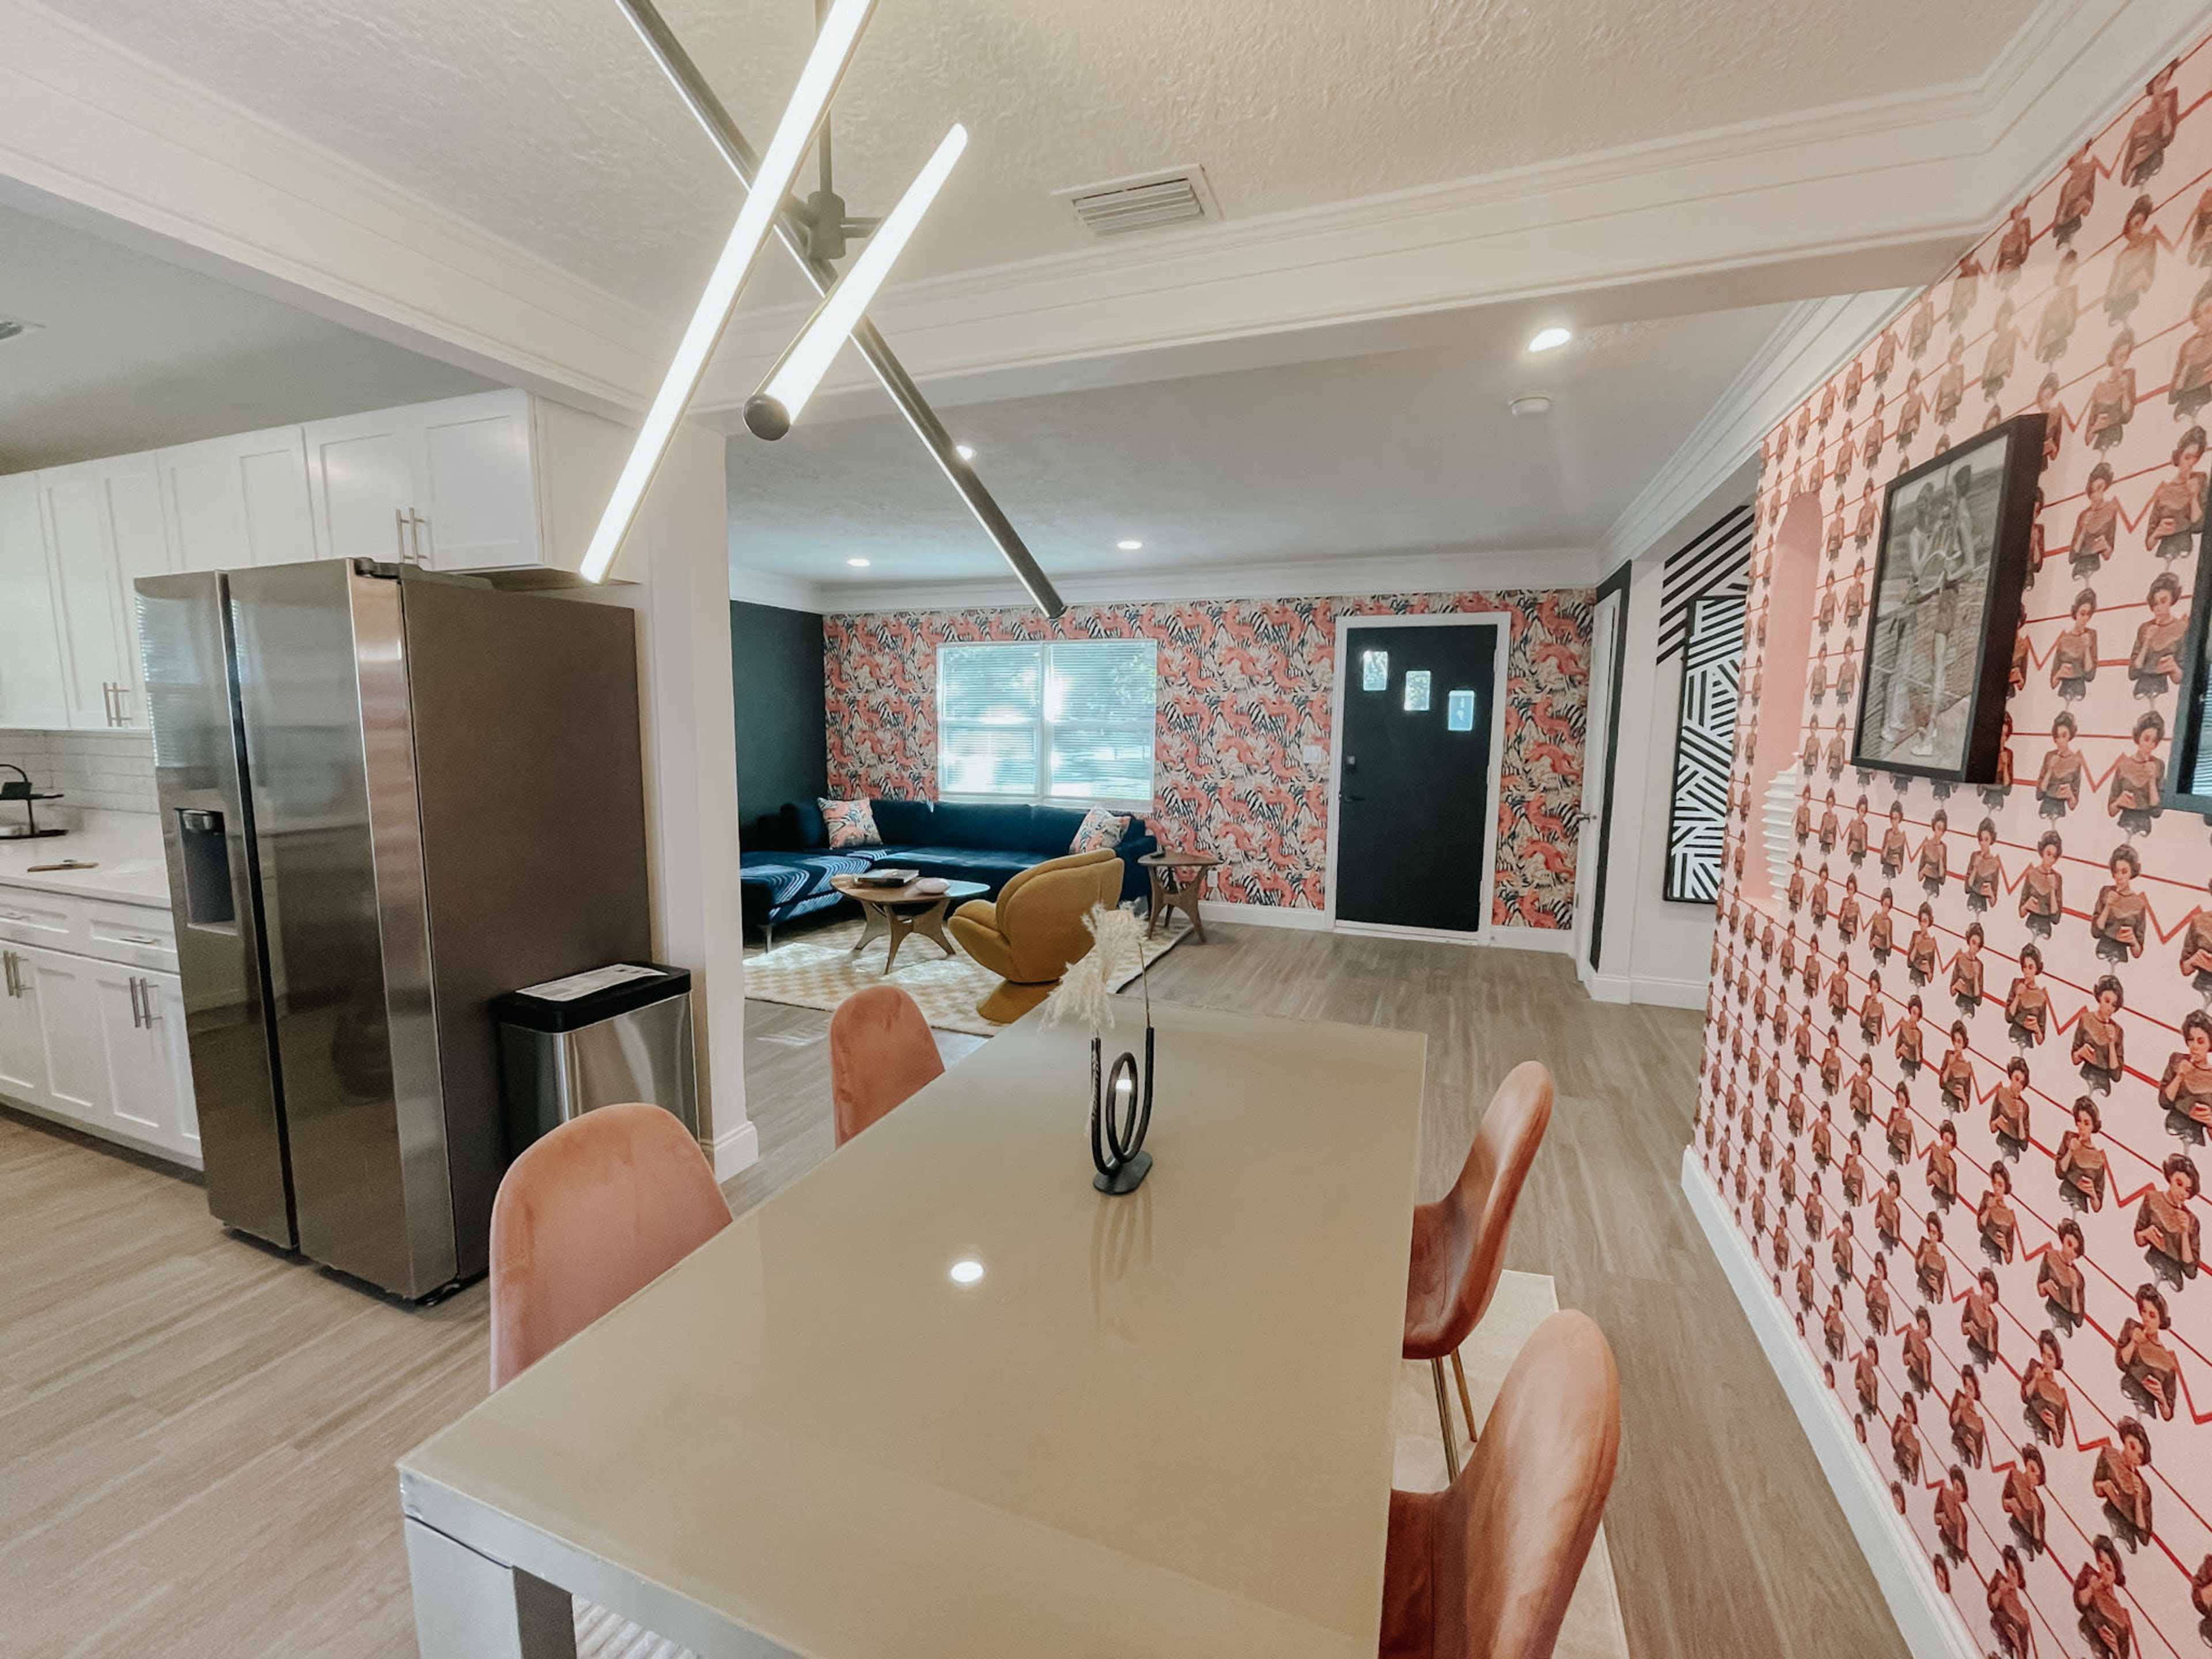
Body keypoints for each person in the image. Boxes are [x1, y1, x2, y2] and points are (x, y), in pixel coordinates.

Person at [2115, 1283, 2180, 1421]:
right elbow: (2121, 1363)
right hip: (2121, 1396)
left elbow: (2168, 1414)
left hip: (2144, 1414)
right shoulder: (2132, 1328)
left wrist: (2161, 1398)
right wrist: (2134, 1342)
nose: (2146, 1319)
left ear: (2161, 1320)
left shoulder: (2168, 1362)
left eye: (2152, 1315)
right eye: (2143, 1311)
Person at [2134, 1153, 2200, 1278]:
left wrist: (2185, 1233)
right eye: (2179, 1183)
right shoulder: (2151, 1198)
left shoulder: (2192, 1220)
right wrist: (2145, 1234)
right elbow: (2138, 1238)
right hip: (2150, 1264)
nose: (2182, 1193)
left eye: (2187, 1190)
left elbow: (2191, 1272)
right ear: (2170, 1178)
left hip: (2173, 1278)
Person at [2092, 1418, 2154, 1546]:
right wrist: (2103, 1486)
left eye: (2139, 1455)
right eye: (2132, 1446)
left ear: (2140, 1462)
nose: (2132, 1452)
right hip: (2101, 1524)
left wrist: (2137, 1499)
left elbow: (2143, 1536)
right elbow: (2097, 1488)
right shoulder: (2107, 1454)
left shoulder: (2143, 1488)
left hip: (2126, 1540)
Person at [2073, 1535, 2133, 1659]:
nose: (2103, 1570)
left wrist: (2116, 1650)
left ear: (2117, 1571)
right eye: (2100, 1562)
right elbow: (2081, 1602)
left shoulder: (2123, 1615)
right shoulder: (2091, 1586)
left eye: (2108, 1568)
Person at [2128, 574, 2187, 695]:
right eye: (2155, 604)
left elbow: (2181, 678)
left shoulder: (2182, 628)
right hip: (2139, 691)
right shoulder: (2145, 628)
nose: (2158, 608)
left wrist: (2173, 667)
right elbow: (2133, 672)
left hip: (2163, 692)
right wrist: (2147, 642)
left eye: (2163, 602)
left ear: (2172, 599)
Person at [2107, 713, 2165, 828]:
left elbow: (2157, 811)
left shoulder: (2158, 765)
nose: (2149, 745)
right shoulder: (2123, 765)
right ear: (2138, 737)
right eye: (2147, 739)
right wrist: (2120, 802)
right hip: (2124, 823)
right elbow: (2111, 811)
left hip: (2145, 826)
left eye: (2154, 741)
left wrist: (2152, 780)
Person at [2092, 846, 2149, 962]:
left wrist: (2133, 941)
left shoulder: (2139, 903)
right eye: (2116, 872)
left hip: (2121, 957)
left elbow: (2138, 953)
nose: (2120, 877)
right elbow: (2096, 932)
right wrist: (2108, 906)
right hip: (2102, 951)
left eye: (2124, 872)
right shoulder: (2106, 892)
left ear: (2132, 872)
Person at [2073, 975, 2127, 1089]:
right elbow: (2074, 1058)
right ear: (2099, 997)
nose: (2109, 1008)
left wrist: (2112, 1042)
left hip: (2103, 1086)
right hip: (2084, 1078)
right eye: (2107, 1001)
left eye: (2114, 1005)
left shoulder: (2118, 1031)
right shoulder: (2085, 1019)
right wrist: (2081, 1052)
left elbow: (2116, 1076)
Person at [2161, 1009, 2212, 1128]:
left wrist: (2210, 1122)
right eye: (2191, 1040)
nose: (2194, 1046)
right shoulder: (2176, 1060)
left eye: (2201, 1041)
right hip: (2172, 1128)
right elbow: (2164, 1102)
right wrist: (2179, 1076)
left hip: (2196, 1137)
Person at [2055, 1097, 2107, 1209]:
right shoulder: (2068, 1138)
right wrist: (2070, 1151)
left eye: (2086, 1123)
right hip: (2062, 1198)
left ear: (2094, 1126)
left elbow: (2097, 1207)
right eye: (2079, 1121)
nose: (2081, 1127)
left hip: (2080, 1208)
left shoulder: (2098, 1159)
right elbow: (2059, 1173)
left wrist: (2092, 1193)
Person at [2050, 590, 2100, 700]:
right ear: (2075, 613)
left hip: (2080, 692)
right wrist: (2060, 673)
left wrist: (2087, 647)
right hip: (2063, 692)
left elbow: (2090, 674)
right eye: (2082, 614)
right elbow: (2053, 683)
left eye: (2089, 615)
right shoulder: (2064, 640)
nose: (2085, 618)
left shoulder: (2091, 635)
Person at [2022, 1332, 2070, 1445]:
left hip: (2043, 1442)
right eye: (2043, 1354)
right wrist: (2035, 1379)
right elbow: (2025, 1396)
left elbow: (2059, 1443)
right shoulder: (2034, 1368)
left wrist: (2054, 1427)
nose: (2045, 1360)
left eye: (2050, 1358)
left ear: (2056, 1362)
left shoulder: (2060, 1397)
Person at [2040, 1218, 2088, 1326]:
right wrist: (2045, 1286)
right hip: (2047, 1315)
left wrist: (2074, 1287)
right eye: (2069, 1244)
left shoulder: (2079, 1277)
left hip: (2065, 1325)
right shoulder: (2049, 1256)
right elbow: (2040, 1290)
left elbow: (2078, 1320)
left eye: (2075, 1250)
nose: (2070, 1252)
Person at [2037, 714, 2084, 818]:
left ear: (2070, 736)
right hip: (2044, 809)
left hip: (2061, 811)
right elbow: (2039, 794)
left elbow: (2073, 805)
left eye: (2064, 736)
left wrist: (2070, 794)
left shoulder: (2076, 761)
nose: (2060, 741)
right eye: (2058, 736)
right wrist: (2050, 770)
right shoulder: (2049, 756)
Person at [2020, 831, 2064, 934]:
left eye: (2054, 856)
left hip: (2045, 930)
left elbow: (2056, 918)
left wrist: (2053, 889)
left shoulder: (2058, 878)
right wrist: (2027, 906)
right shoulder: (2031, 874)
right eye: (2048, 854)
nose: (2051, 860)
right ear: (2042, 852)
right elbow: (2021, 912)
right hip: (2029, 926)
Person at [2008, 945, 2051, 1047]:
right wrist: (2018, 996)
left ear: (2037, 969)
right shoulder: (2016, 983)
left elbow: (2040, 1040)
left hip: (2027, 1042)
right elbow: (2008, 1017)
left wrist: (2036, 1029)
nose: (2027, 972)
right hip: (2012, 1037)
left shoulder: (2042, 996)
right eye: (2025, 967)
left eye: (2031, 967)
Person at [1979, 1161, 2018, 1262]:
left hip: (1996, 1259)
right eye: (1995, 1183)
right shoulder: (1987, 1198)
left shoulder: (2009, 1216)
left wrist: (2004, 1246)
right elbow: (1980, 1226)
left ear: (2006, 1188)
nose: (1996, 1188)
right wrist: (1989, 1209)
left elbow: (2009, 1258)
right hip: (1982, 1250)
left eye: (2000, 1185)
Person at [1991, 1056, 2032, 1151]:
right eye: (2016, 1079)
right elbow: (1992, 1128)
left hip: (2013, 1151)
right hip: (1999, 1144)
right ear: (2011, 1076)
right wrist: (1997, 1122)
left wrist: (2021, 1117)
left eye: (2022, 1083)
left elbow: (2024, 1145)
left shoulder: (2025, 1106)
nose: (2018, 1086)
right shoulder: (2001, 1093)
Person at [1952, 922, 1985, 1008]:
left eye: (1978, 945)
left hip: (1970, 1009)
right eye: (1974, 943)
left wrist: (1976, 976)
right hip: (1958, 1004)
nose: (1975, 948)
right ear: (1969, 941)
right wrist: (1956, 986)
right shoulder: (1960, 959)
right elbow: (1952, 991)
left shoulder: (1980, 965)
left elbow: (1978, 1000)